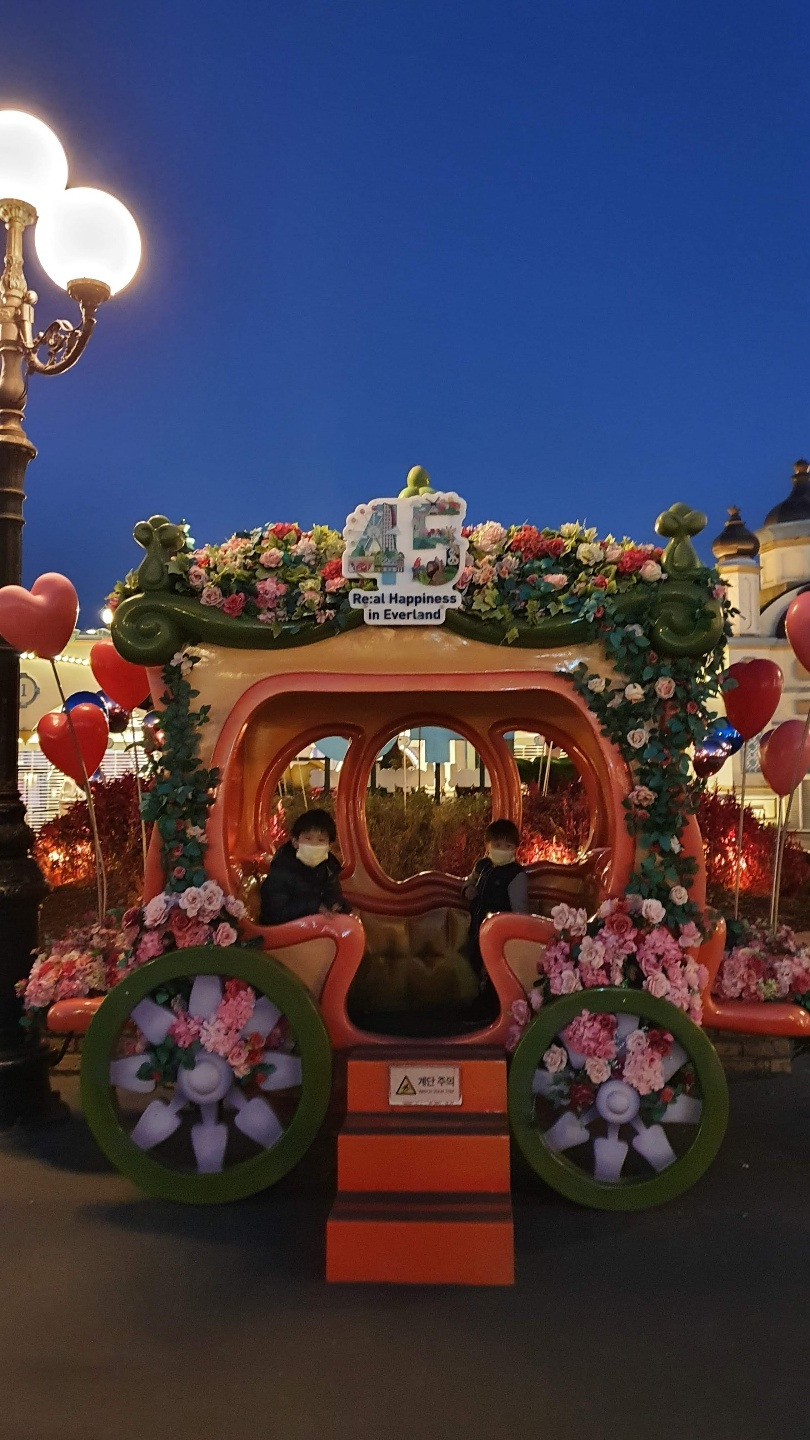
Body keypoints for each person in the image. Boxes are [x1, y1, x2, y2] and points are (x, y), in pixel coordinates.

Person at [464, 819, 529, 981]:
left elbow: (520, 912)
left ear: (515, 848)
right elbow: (470, 881)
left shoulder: (516, 874)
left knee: (493, 976)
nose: (502, 850)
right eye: (498, 845)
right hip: (477, 929)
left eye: (508, 846)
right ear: (488, 846)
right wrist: (468, 890)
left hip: (499, 935)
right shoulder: (483, 865)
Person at [259, 809, 349, 926]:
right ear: (295, 842)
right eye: (308, 839)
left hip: (316, 926)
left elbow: (334, 896)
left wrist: (337, 905)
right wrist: (314, 906)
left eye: (321, 840)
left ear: (329, 845)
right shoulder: (282, 869)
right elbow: (274, 913)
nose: (314, 845)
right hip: (287, 930)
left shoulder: (329, 869)